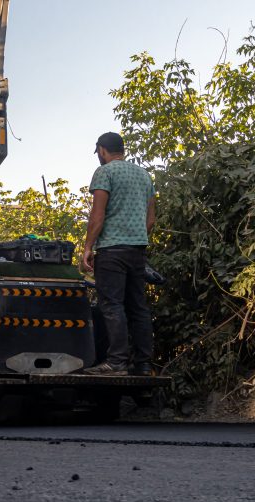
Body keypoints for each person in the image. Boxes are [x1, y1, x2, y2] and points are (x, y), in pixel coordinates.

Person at [81, 132, 156, 376]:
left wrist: (88, 248)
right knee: (138, 307)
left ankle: (116, 362)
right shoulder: (144, 175)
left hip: (112, 251)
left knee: (112, 306)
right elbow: (151, 218)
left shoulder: (105, 172)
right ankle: (144, 364)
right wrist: (135, 238)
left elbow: (98, 215)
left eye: (99, 153)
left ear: (102, 150)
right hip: (137, 251)